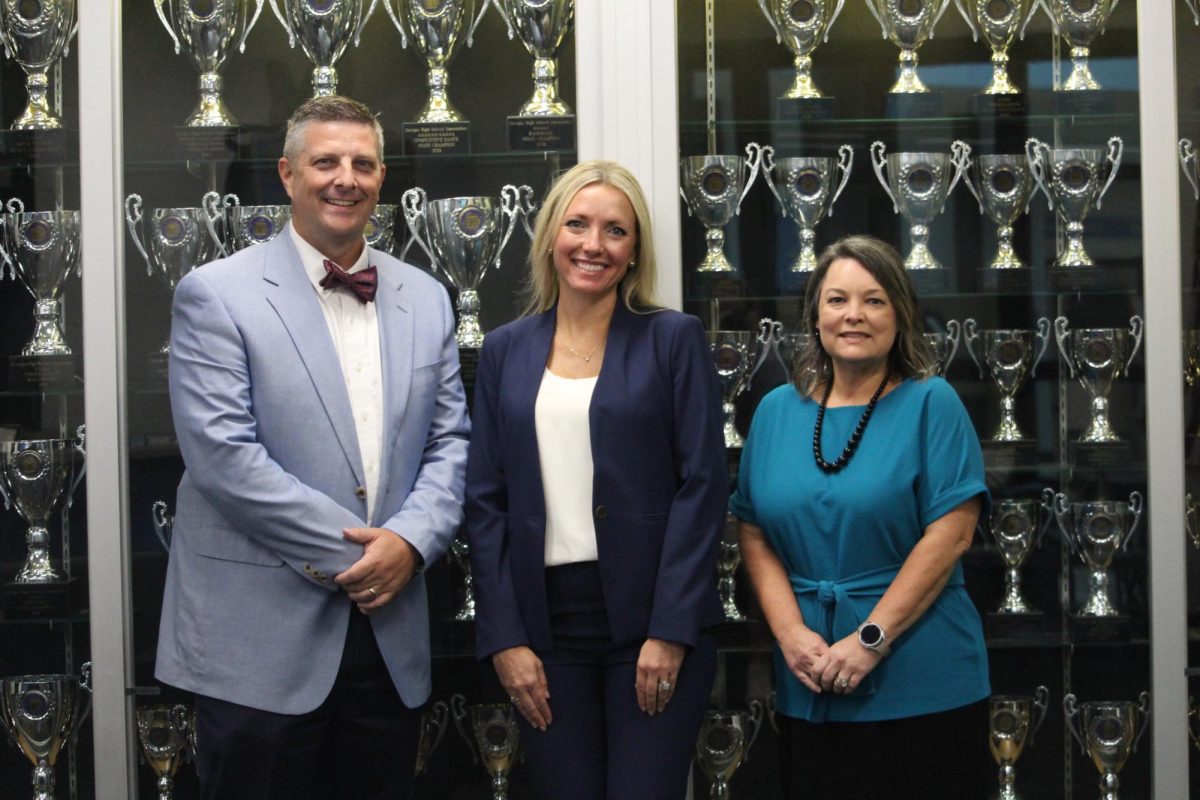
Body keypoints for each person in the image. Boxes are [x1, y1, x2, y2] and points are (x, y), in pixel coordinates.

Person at [155, 95, 470, 800]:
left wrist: (412, 544)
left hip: (388, 640)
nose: (344, 178)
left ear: (382, 177)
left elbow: (451, 444)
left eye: (362, 163)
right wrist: (367, 555)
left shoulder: (426, 297)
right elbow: (224, 460)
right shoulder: (215, 294)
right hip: (257, 648)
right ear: (288, 175)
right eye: (325, 161)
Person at [465, 160, 727, 799]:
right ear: (551, 237)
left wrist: (670, 628)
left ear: (634, 251)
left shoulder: (673, 339)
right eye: (577, 224)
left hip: (652, 625)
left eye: (616, 230)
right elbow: (486, 500)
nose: (594, 244)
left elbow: (703, 485)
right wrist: (504, 636)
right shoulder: (504, 349)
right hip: (546, 630)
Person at [730, 235, 992, 799]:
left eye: (874, 300)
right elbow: (752, 531)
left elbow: (952, 535)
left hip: (923, 676)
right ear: (815, 315)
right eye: (837, 300)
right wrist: (790, 634)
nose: (854, 315)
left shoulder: (932, 402)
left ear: (900, 313)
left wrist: (870, 640)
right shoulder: (776, 411)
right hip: (810, 674)